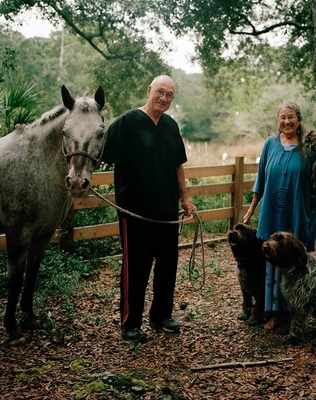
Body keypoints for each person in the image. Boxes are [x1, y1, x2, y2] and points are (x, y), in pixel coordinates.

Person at [101, 75, 197, 343]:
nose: (164, 98)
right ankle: (130, 323)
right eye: (160, 92)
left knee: (167, 267)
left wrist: (184, 199)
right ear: (149, 91)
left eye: (169, 95)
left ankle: (161, 316)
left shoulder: (170, 126)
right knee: (137, 269)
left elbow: (179, 164)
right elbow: (103, 154)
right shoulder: (127, 122)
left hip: (166, 212)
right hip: (135, 213)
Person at [242, 101, 316, 330]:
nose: (286, 121)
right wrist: (252, 208)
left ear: (298, 120)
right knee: (272, 263)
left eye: (291, 117)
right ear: (278, 121)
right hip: (273, 214)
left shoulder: (309, 148)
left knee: (295, 264)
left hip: (297, 213)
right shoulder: (270, 144)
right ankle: (273, 313)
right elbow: (261, 179)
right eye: (282, 117)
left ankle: (295, 314)